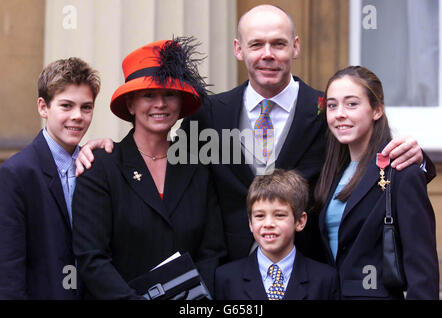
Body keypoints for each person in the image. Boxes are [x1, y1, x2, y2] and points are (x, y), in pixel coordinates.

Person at [76, 4, 435, 263]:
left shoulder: (328, 110)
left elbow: (370, 150)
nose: (267, 55)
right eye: (256, 44)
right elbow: (159, 152)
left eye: (278, 44)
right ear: (238, 50)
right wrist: (99, 145)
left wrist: (417, 159)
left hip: (310, 275)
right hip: (230, 278)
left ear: (295, 47)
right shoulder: (208, 113)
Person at [71, 37, 226, 299]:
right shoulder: (101, 168)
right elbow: (92, 259)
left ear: (180, 104)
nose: (160, 104)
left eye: (169, 94)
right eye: (148, 95)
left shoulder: (197, 167)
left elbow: (212, 252)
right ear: (131, 104)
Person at [314, 66, 439, 299]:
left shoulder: (400, 170)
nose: (340, 113)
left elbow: (422, 266)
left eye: (351, 104)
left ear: (377, 110)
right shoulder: (331, 171)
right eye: (332, 105)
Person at [0, 57, 100, 299]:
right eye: (66, 106)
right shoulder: (16, 173)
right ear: (43, 107)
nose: (78, 116)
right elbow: (8, 269)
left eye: (86, 107)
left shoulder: (96, 166)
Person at [215, 169, 339, 300]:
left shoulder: (325, 279)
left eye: (279, 215)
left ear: (300, 221)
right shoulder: (227, 278)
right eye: (260, 216)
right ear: (250, 223)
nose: (268, 224)